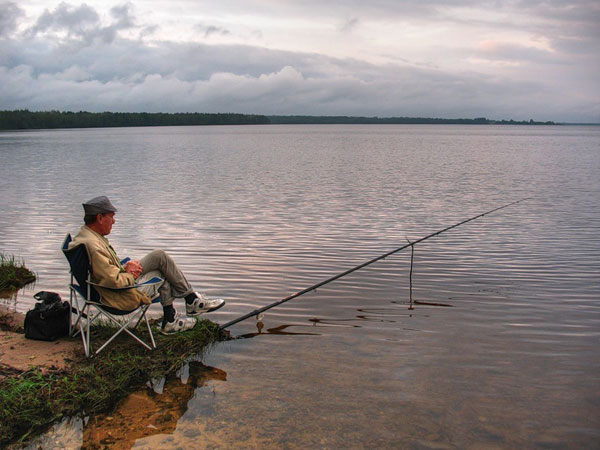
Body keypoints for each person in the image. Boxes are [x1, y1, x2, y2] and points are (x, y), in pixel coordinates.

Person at [69, 196, 225, 334]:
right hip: (117, 296)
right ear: (100, 218)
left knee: (159, 256)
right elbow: (114, 282)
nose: (114, 221)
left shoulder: (86, 236)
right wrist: (129, 274)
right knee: (161, 275)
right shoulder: (94, 246)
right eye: (111, 217)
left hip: (109, 287)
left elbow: (105, 271)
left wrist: (126, 266)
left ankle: (189, 302)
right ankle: (177, 314)